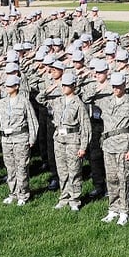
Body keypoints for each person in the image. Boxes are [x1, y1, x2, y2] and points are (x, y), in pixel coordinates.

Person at [95, 71, 129, 225]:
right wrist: (99, 86)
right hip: (108, 146)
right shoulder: (106, 101)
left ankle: (124, 210)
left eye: (118, 86)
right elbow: (88, 98)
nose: (115, 89)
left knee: (124, 180)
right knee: (112, 179)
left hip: (124, 146)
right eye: (113, 86)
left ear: (124, 85)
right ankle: (113, 209)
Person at [50, 71, 91, 212]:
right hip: (59, 140)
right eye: (63, 85)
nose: (64, 87)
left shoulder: (79, 104)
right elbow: (41, 98)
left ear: (74, 86)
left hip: (73, 141)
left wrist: (83, 146)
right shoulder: (58, 101)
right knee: (62, 171)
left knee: (74, 171)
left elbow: (86, 127)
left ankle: (75, 199)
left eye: (67, 85)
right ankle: (64, 196)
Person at [0, 74, 38, 205]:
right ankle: (13, 193)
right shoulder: (2, 102)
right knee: (10, 168)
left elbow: (32, 121)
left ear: (17, 86)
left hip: (20, 138)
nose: (7, 88)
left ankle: (23, 194)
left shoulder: (24, 101)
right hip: (6, 140)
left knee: (21, 167)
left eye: (10, 85)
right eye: (6, 85)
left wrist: (32, 138)